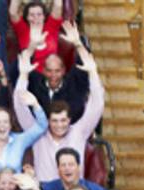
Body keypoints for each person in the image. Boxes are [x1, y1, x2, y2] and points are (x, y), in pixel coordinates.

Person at [13, 40, 103, 182]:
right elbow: (19, 105)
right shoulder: (39, 134)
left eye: (63, 120)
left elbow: (97, 104)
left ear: (69, 120)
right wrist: (23, 75)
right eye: (54, 121)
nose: (59, 125)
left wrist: (92, 72)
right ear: (48, 121)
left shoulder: (79, 131)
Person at [27, 33, 92, 122]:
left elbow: (84, 64)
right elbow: (23, 68)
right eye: (49, 70)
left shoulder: (74, 84)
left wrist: (78, 44)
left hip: (73, 132)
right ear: (43, 71)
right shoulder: (35, 83)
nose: (53, 75)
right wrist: (32, 46)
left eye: (57, 71)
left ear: (64, 71)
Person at [8, 0, 64, 71]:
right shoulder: (22, 29)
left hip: (51, 75)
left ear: (44, 16)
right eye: (32, 15)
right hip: (30, 74)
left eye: (39, 14)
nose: (36, 18)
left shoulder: (51, 26)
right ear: (27, 17)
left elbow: (58, 5)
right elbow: (12, 12)